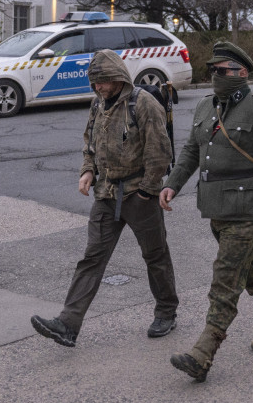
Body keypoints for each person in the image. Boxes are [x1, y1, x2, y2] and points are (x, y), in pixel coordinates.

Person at [160, 41, 253, 381]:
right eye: (212, 71)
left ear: (242, 73)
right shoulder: (206, 107)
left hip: (248, 207)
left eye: (222, 72)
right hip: (216, 206)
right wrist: (172, 185)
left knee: (226, 277)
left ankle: (203, 353)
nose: (215, 77)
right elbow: (192, 152)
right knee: (249, 269)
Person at [31, 49, 179, 347]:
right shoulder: (98, 104)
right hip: (106, 193)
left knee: (155, 255)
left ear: (119, 77)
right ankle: (67, 324)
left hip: (140, 195)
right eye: (94, 82)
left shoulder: (144, 103)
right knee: (92, 258)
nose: (98, 87)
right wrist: (88, 171)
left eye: (103, 81)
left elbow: (159, 151)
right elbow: (90, 142)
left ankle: (166, 312)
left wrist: (148, 190)